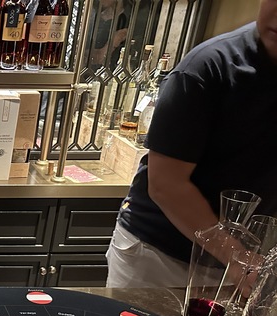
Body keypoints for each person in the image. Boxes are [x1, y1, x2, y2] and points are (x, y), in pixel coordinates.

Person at [106, 0, 277, 288]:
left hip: (243, 262)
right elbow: (166, 184)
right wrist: (237, 257)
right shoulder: (208, 66)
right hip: (159, 257)